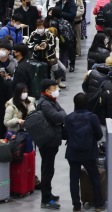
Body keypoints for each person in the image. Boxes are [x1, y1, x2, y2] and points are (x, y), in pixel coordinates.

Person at [64, 93, 105, 212]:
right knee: (95, 177)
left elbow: (65, 134)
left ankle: (76, 207)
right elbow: (99, 135)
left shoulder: (68, 117)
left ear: (74, 103)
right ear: (87, 103)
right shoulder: (92, 117)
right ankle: (99, 205)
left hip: (73, 153)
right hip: (89, 152)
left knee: (74, 180)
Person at [38, 79, 67, 209]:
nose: (56, 90)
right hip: (47, 142)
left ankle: (48, 193)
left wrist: (59, 118)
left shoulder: (51, 101)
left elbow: (63, 113)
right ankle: (45, 200)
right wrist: (58, 119)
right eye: (54, 88)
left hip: (52, 140)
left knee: (50, 169)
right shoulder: (45, 103)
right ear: (47, 90)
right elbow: (59, 117)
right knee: (47, 170)